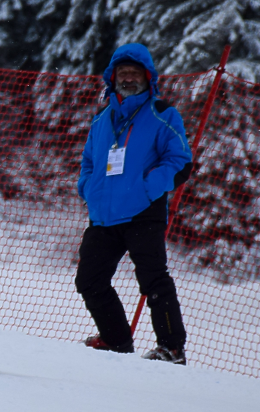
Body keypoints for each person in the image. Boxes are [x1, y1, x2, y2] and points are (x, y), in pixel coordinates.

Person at [75, 43, 192, 364]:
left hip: (144, 213)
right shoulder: (101, 119)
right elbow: (88, 161)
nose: (128, 78)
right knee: (89, 281)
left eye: (134, 73)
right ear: (112, 78)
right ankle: (116, 342)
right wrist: (86, 187)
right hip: (103, 217)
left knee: (153, 280)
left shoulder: (162, 113)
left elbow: (180, 160)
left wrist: (147, 188)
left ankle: (172, 349)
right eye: (122, 73)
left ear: (147, 77)